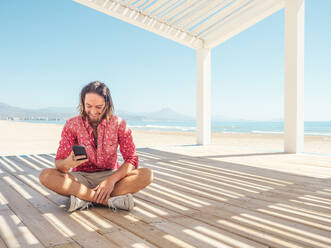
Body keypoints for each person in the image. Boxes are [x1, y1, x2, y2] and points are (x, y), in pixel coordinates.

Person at [39, 81, 153, 212]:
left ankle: (83, 198)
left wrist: (110, 181)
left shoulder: (119, 124)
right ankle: (106, 200)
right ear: (82, 103)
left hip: (110, 176)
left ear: (107, 104)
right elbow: (59, 164)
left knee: (147, 175)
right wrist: (68, 163)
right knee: (46, 175)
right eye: (88, 106)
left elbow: (131, 159)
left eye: (99, 107)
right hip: (80, 178)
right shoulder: (72, 124)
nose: (93, 111)